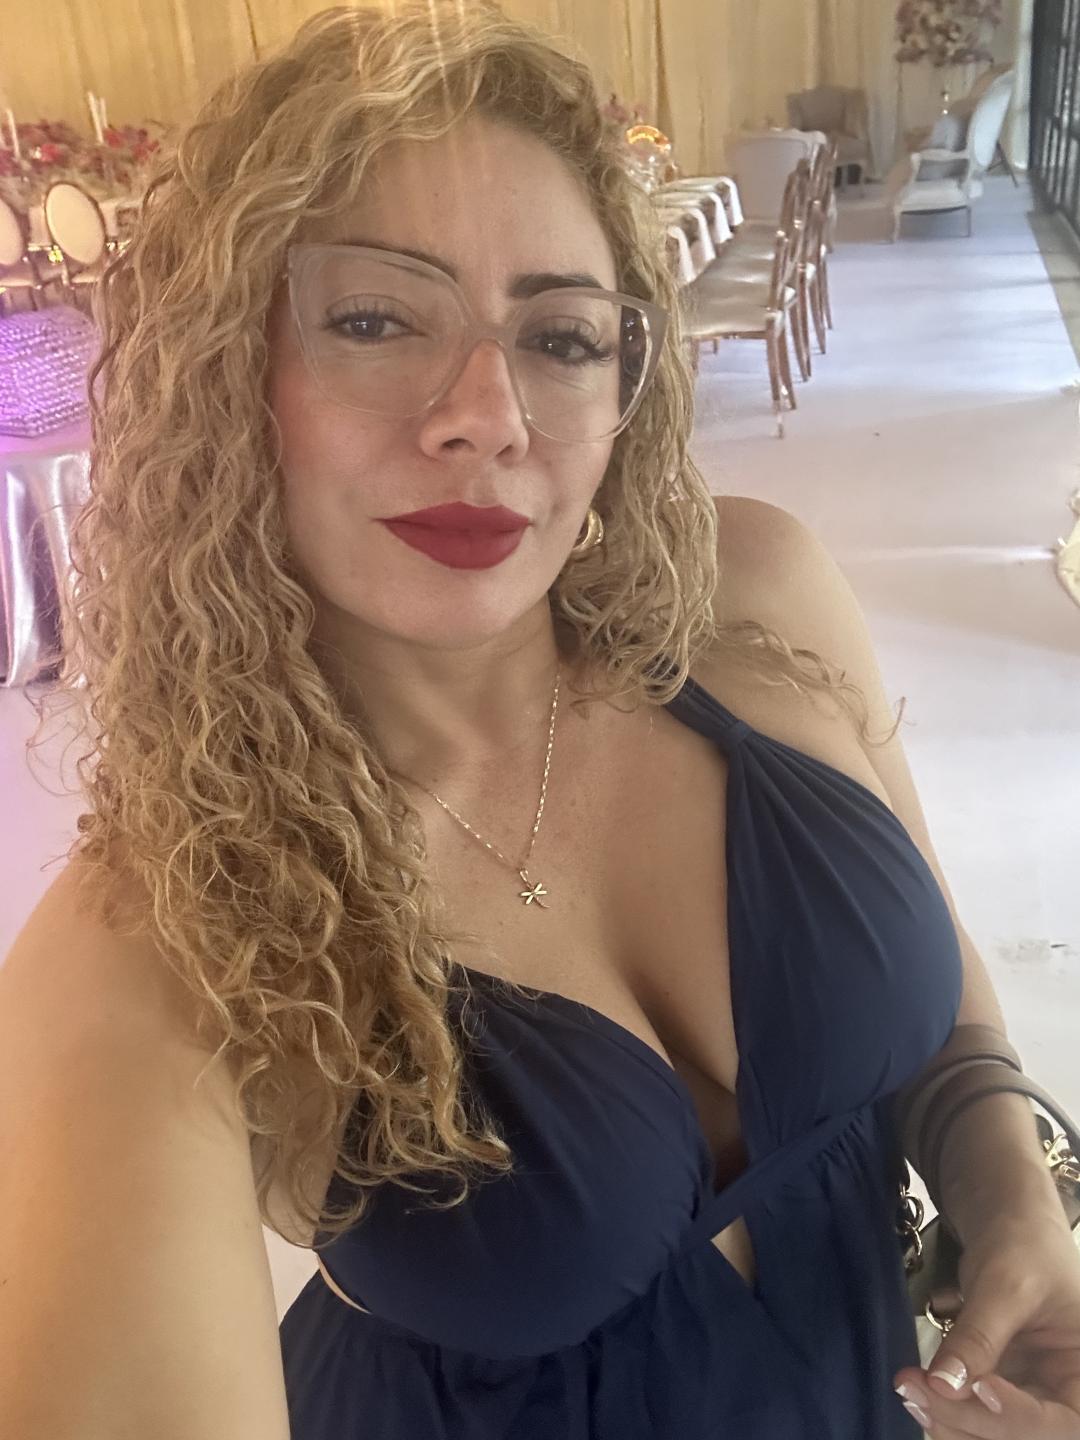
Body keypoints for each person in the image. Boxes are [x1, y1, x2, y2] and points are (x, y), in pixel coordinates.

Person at [4, 5, 1079, 1440]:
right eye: (376, 318)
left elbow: (939, 992)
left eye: (561, 335)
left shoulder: (752, 601)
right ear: (224, 370)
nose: (489, 415)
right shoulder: (159, 934)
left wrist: (1011, 1195)